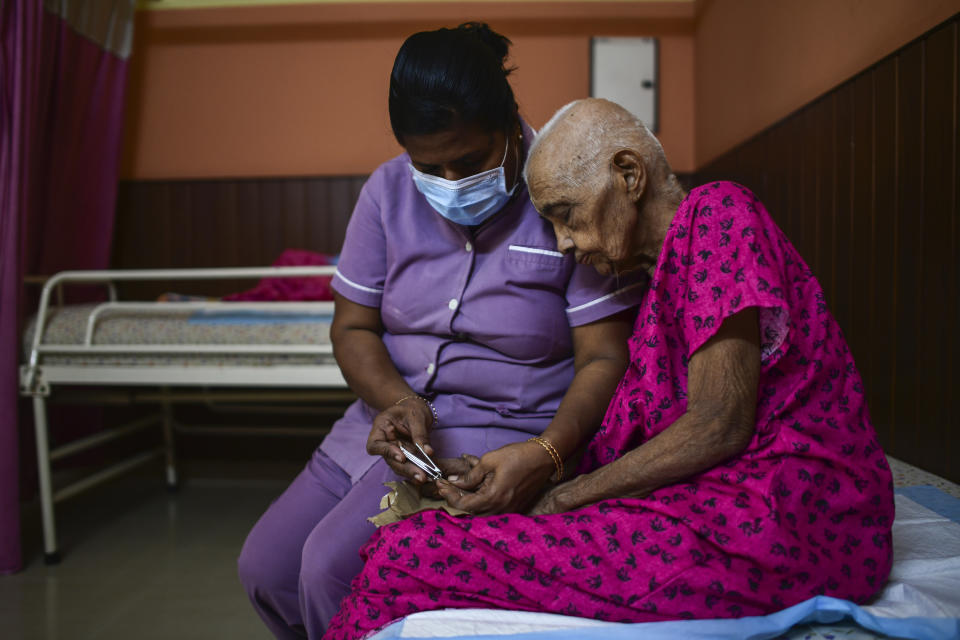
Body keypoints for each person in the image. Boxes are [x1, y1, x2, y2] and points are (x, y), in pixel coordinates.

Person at [322, 98, 895, 639]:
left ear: (629, 174)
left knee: (412, 555)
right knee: (423, 539)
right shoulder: (656, 279)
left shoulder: (718, 211)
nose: (564, 243)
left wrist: (561, 500)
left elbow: (718, 423)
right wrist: (534, 471)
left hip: (788, 513)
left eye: (565, 215)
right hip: (720, 499)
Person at [237, 30, 645, 639]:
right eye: (428, 167)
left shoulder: (562, 188)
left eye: (470, 162)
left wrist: (550, 452)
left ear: (509, 130)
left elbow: (605, 357)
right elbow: (352, 326)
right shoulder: (386, 192)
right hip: (389, 421)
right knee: (265, 570)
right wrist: (397, 401)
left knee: (329, 571)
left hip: (502, 426)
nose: (449, 183)